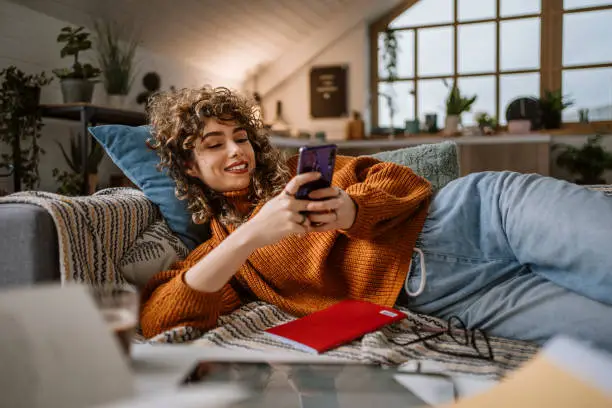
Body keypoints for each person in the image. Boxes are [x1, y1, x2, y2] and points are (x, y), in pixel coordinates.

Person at [140, 86, 612, 352]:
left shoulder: (299, 173)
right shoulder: (228, 255)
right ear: (187, 164)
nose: (236, 150)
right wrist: (250, 237)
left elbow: (402, 182)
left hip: (480, 214)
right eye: (214, 143)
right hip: (461, 300)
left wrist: (351, 209)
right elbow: (162, 318)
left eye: (239, 136)